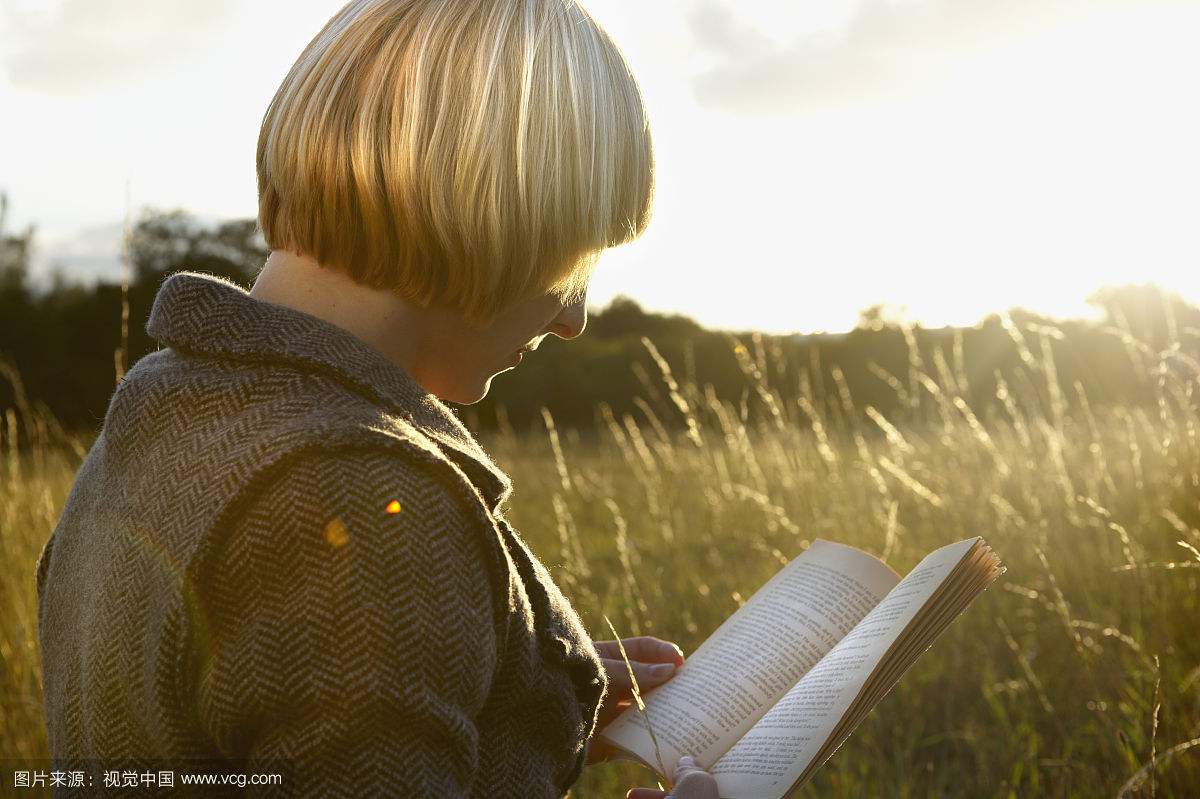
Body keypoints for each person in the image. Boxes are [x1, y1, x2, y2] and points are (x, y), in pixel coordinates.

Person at [35, 0, 719, 796]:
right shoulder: (360, 495)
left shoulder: (163, 405)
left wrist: (522, 703)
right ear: (496, 212)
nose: (574, 316)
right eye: (580, 252)